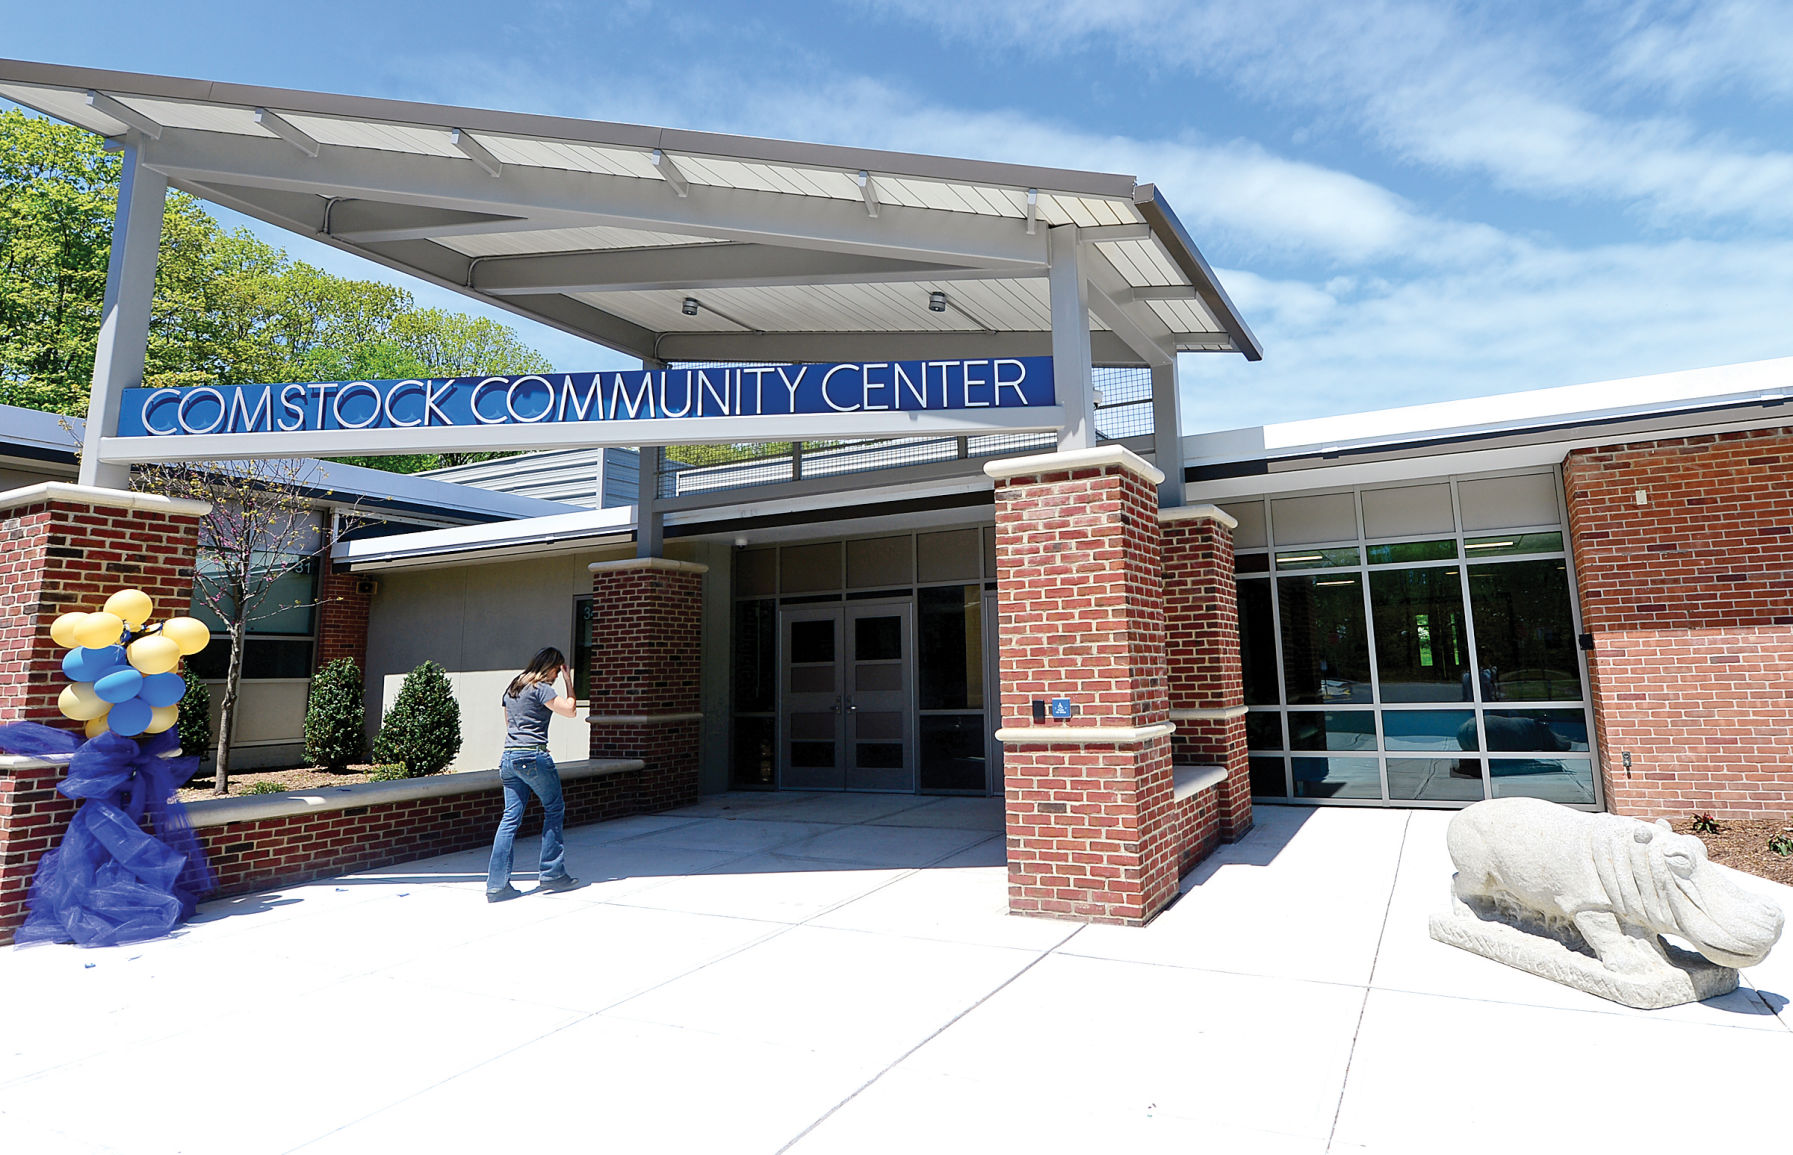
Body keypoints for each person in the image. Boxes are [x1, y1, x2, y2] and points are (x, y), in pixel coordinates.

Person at [486, 647, 582, 902]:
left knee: (509, 819)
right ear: (552, 667)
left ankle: (497, 885)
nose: (556, 675)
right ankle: (552, 873)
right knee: (554, 808)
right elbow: (570, 710)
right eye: (557, 670)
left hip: (509, 757)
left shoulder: (513, 687)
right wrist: (570, 682)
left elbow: (509, 724)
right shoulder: (542, 688)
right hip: (533, 756)